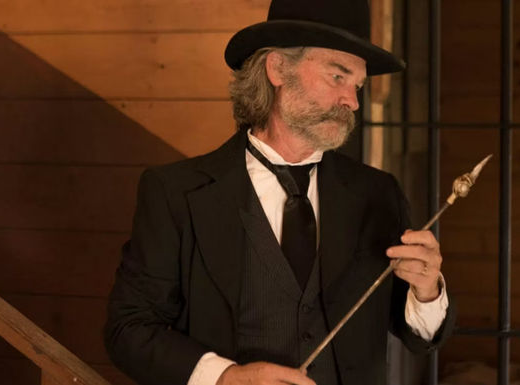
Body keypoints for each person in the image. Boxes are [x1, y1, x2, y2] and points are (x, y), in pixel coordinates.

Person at [104, 0, 455, 384]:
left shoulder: (378, 192)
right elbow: (129, 331)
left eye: (358, 86)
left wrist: (426, 291)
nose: (352, 102)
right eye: (338, 77)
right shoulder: (175, 192)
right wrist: (225, 377)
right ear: (277, 68)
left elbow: (418, 337)